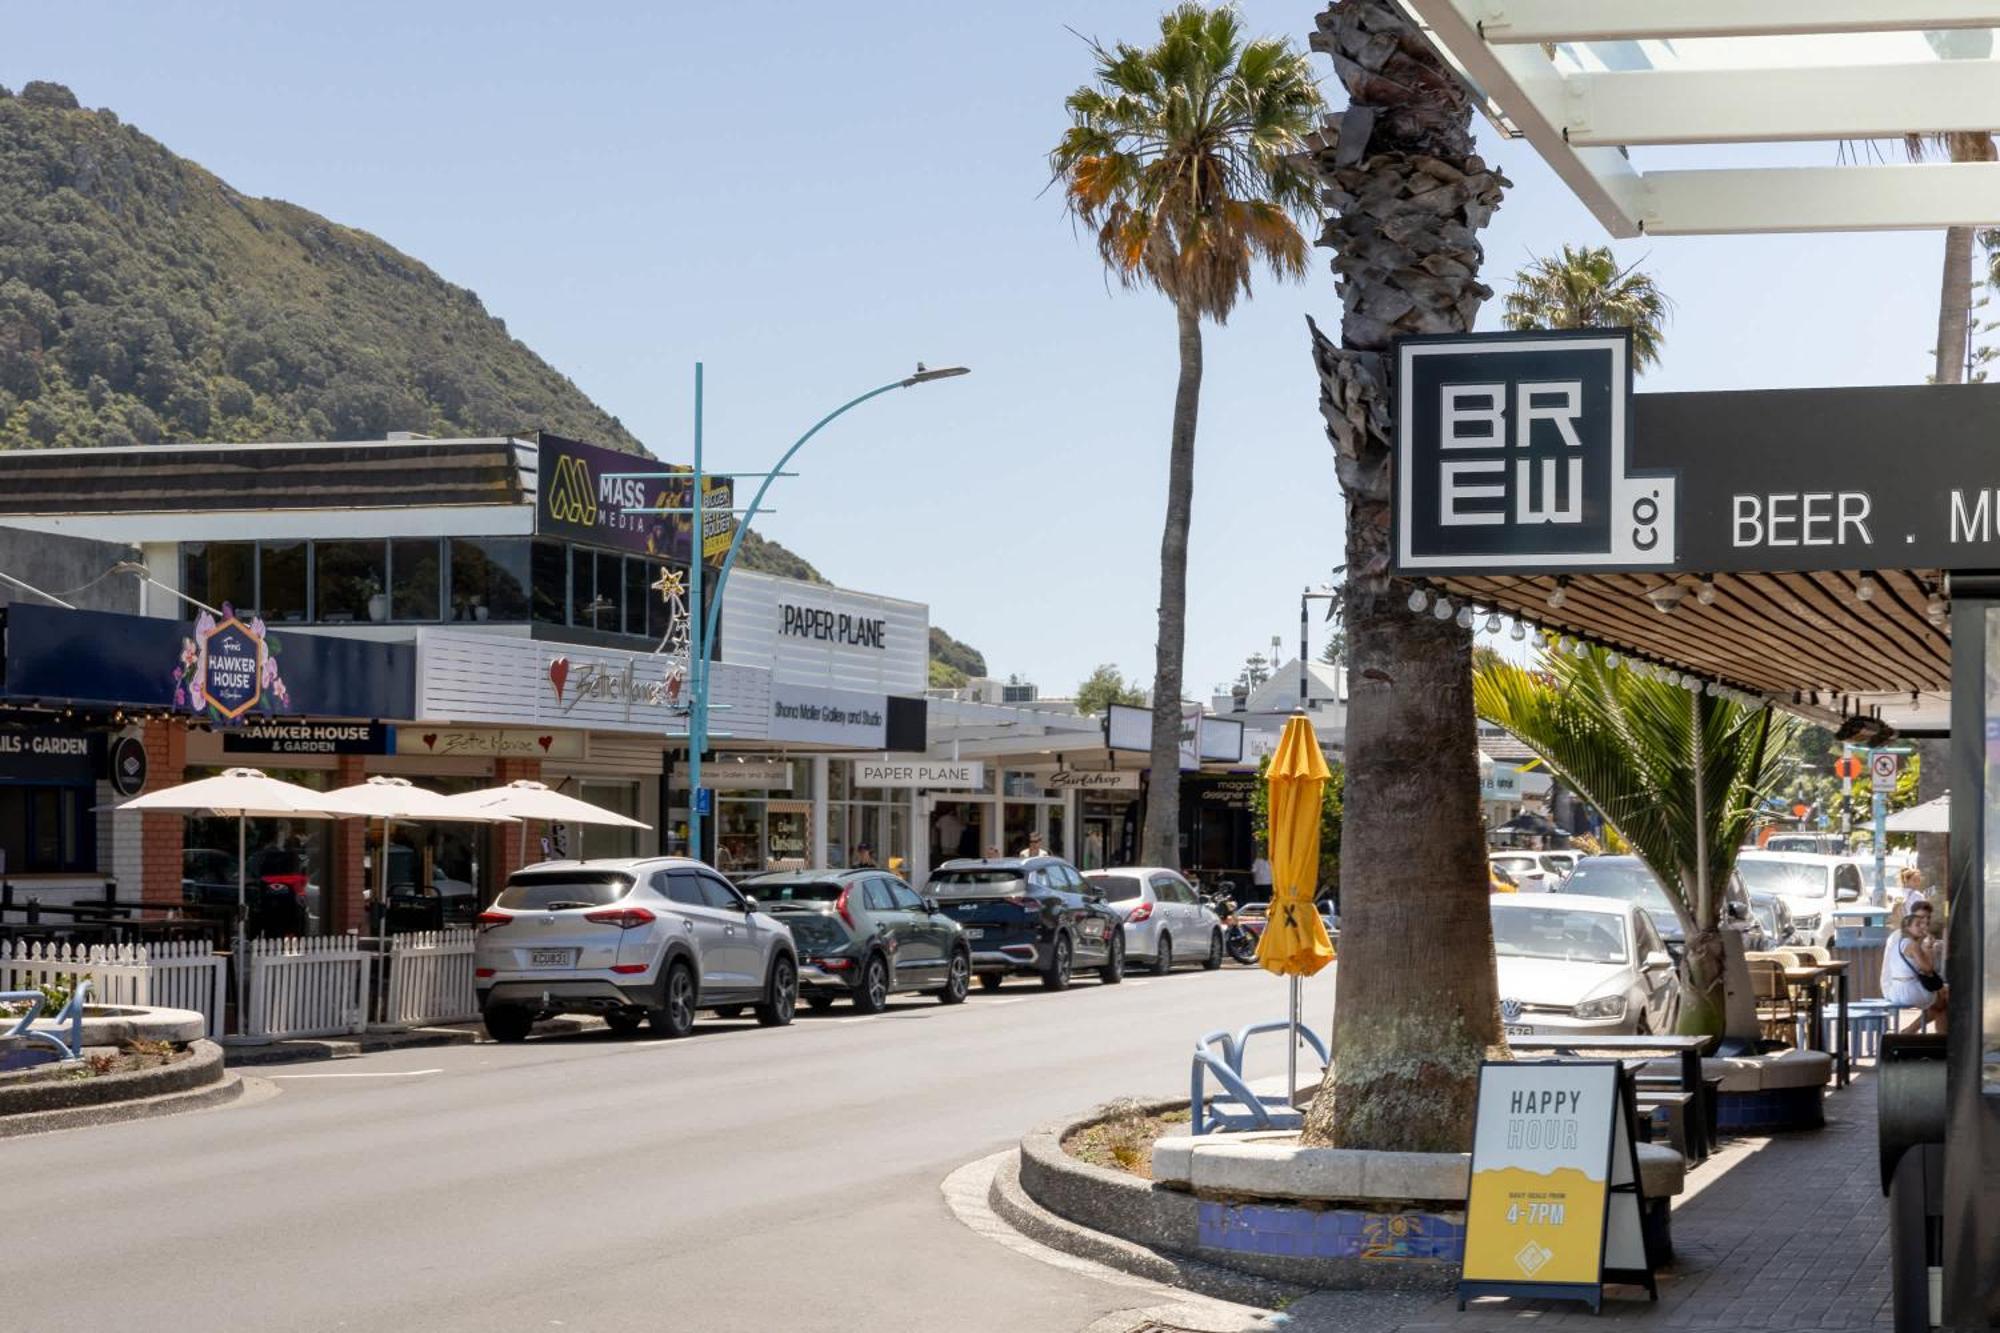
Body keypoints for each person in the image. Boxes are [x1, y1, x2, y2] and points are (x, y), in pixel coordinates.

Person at [1881, 900, 1948, 1033]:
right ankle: (1915, 1033)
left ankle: (1937, 1038)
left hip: (1905, 984)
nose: (1925, 923)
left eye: (1927, 918)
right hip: (1898, 986)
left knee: (1942, 997)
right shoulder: (1906, 940)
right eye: (1920, 919)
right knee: (1944, 1000)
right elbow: (1928, 968)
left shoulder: (1912, 937)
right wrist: (1929, 949)